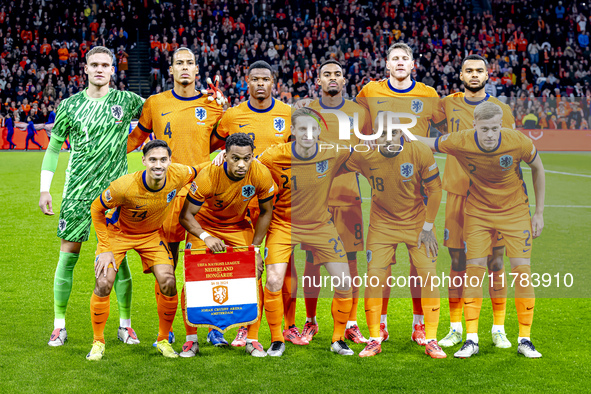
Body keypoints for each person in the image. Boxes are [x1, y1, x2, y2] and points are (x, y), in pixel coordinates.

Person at [415, 101, 545, 359]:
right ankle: (471, 339)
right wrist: (397, 134)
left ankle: (525, 339)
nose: (490, 134)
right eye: (484, 129)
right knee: (473, 269)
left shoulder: (517, 141)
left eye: (495, 129)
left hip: (515, 211)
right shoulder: (461, 140)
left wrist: (539, 213)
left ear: (501, 126)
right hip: (478, 212)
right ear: (474, 125)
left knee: (522, 271)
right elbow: (426, 142)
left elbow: (538, 168)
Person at [39, 46, 144, 347]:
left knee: (119, 262)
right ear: (85, 69)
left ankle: (125, 326)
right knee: (68, 257)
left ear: (113, 70)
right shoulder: (70, 106)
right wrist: (45, 188)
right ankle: (59, 325)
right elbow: (54, 147)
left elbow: (160, 113)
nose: (100, 69)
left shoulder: (127, 101)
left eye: (105, 65)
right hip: (76, 193)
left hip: (115, 196)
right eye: (94, 64)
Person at [127, 47, 225, 347]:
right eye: (179, 63)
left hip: (200, 197)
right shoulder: (155, 103)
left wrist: (225, 104)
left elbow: (226, 144)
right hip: (164, 196)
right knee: (165, 268)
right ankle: (165, 329)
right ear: (170, 70)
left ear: (197, 70)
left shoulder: (213, 105)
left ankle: (213, 327)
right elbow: (134, 140)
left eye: (190, 63)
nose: (185, 67)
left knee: (204, 267)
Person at [356, 42, 442, 346]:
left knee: (421, 270)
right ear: (387, 65)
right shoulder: (369, 92)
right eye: (395, 58)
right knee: (381, 269)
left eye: (405, 58)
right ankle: (380, 326)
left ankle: (420, 325)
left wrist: (425, 145)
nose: (400, 62)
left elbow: (449, 129)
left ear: (413, 64)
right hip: (385, 195)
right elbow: (353, 121)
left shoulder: (430, 95)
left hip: (418, 198)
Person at [341, 114, 446, 358]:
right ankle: (374, 338)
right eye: (382, 134)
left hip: (417, 223)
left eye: (394, 133)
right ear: (373, 136)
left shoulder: (419, 151)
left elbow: (435, 189)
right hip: (381, 226)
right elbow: (334, 166)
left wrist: (428, 227)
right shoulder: (363, 154)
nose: (389, 139)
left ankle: (431, 338)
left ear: (403, 134)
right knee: (375, 278)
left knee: (428, 275)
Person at [86, 140, 198, 360]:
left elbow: (199, 170)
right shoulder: (123, 186)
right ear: (144, 160)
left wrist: (220, 158)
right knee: (103, 282)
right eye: (153, 159)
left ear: (170, 161)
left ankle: (163, 340)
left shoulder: (178, 174)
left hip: (151, 235)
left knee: (168, 281)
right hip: (118, 234)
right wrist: (105, 247)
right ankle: (98, 342)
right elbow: (96, 208)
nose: (158, 165)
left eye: (163, 160)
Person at [256, 108, 354, 357]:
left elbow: (366, 152)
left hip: (320, 225)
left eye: (312, 129)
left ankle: (338, 339)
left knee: (344, 281)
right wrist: (223, 155)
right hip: (283, 224)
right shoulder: (275, 154)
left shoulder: (333, 151)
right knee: (274, 280)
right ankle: (277, 339)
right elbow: (248, 164)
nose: (307, 133)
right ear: (293, 132)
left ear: (319, 131)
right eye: (302, 129)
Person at [435, 55, 516, 349]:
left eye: (479, 70)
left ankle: (498, 328)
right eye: (468, 70)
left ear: (487, 74)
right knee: (457, 261)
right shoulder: (445, 104)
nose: (473, 74)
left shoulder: (502, 111)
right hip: (457, 193)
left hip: (491, 197)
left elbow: (511, 152)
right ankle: (456, 327)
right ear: (460, 74)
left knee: (495, 261)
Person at [213, 60, 292, 347]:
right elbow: (215, 146)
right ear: (247, 81)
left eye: (266, 79)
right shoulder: (232, 115)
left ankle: (286, 326)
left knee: (277, 271)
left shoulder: (288, 113)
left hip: (279, 207)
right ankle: (247, 327)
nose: (261, 84)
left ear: (274, 83)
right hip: (243, 206)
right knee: (249, 267)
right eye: (255, 79)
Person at [179, 133, 274, 357]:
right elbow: (186, 216)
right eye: (235, 158)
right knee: (193, 277)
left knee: (255, 273)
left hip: (237, 226)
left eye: (246, 158)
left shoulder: (260, 173)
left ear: (252, 156)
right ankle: (191, 341)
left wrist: (256, 249)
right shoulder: (209, 175)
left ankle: (253, 339)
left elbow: (266, 211)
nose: (241, 164)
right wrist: (205, 236)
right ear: (225, 155)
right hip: (204, 225)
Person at [297, 59, 372, 344]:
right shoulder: (308, 112)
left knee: (351, 260)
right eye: (326, 74)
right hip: (314, 200)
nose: (332, 78)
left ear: (344, 81)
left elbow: (368, 150)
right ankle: (311, 321)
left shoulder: (359, 113)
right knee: (312, 262)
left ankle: (350, 322)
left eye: (337, 74)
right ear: (318, 81)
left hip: (348, 196)